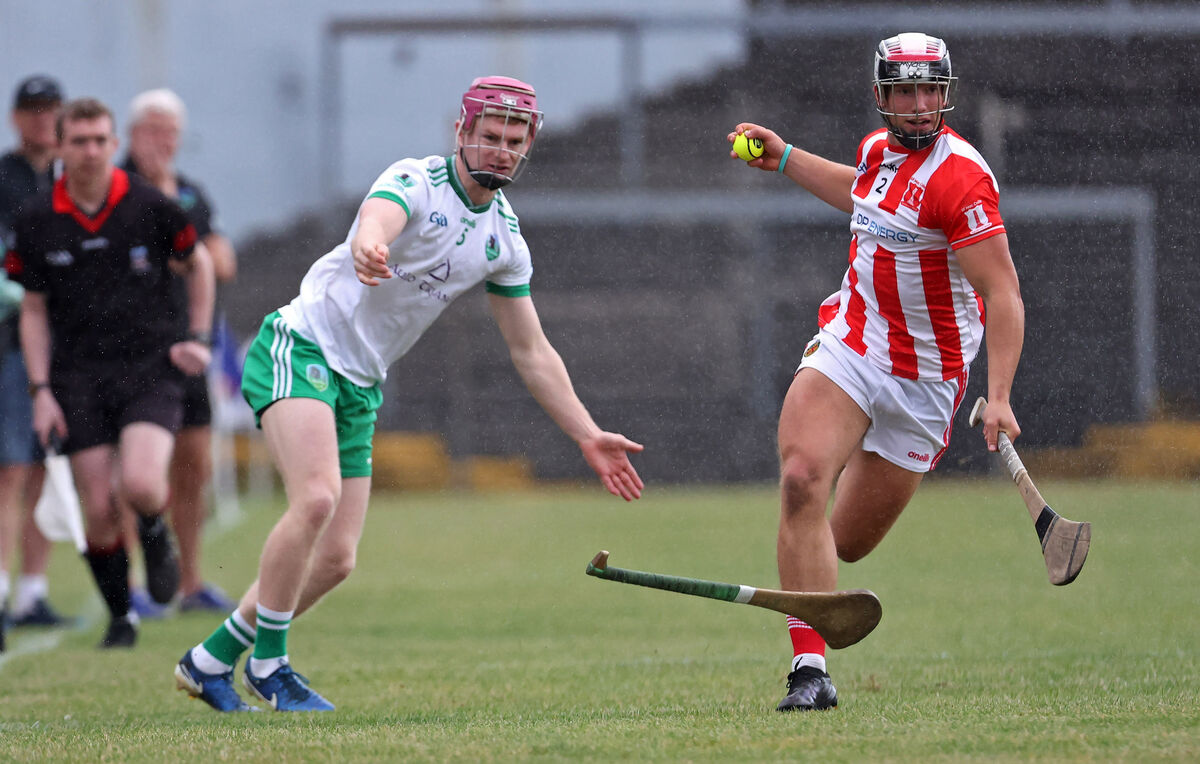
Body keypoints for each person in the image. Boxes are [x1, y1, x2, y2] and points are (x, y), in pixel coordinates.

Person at [173, 75, 644, 713]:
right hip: (302, 347)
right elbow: (377, 218)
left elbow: (531, 350)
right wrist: (369, 245)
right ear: (461, 131)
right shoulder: (416, 180)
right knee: (316, 499)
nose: (502, 150)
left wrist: (586, 434)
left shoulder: (505, 238)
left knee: (337, 559)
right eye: (490, 136)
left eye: (514, 141)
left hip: (362, 382)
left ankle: (209, 661)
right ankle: (270, 665)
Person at [728, 32, 1024, 711]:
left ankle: (808, 574)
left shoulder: (962, 179)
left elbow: (1004, 293)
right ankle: (809, 672)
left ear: (946, 95)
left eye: (930, 91)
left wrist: (1000, 395)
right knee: (802, 481)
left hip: (926, 382)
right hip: (853, 348)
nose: (919, 105)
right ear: (881, 96)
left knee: (847, 545)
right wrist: (785, 158)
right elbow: (861, 191)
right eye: (905, 91)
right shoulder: (874, 152)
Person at [6, 97, 215, 648]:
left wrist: (198, 337)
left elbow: (199, 263)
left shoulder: (150, 204)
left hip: (150, 367)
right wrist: (40, 389)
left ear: (114, 144)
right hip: (77, 377)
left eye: (100, 140)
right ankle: (122, 615)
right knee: (98, 509)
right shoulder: (37, 220)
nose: (91, 151)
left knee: (142, 483)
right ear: (60, 146)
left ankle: (153, 528)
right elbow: (32, 310)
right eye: (79, 141)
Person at [121, 88, 238, 617]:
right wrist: (184, 254)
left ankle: (190, 582)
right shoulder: (118, 189)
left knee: (193, 467)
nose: (162, 140)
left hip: (190, 348)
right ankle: (132, 585)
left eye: (170, 131)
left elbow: (222, 261)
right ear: (132, 134)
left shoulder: (191, 193)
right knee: (136, 474)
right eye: (152, 129)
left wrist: (181, 254)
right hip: (135, 352)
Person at [0, 75, 71, 645]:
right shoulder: (4, 178)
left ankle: (32, 592)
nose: (43, 119)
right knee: (11, 468)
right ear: (16, 118)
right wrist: (34, 295)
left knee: (48, 466)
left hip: (66, 344)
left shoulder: (72, 179)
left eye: (51, 109)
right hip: (11, 341)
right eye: (33, 109)